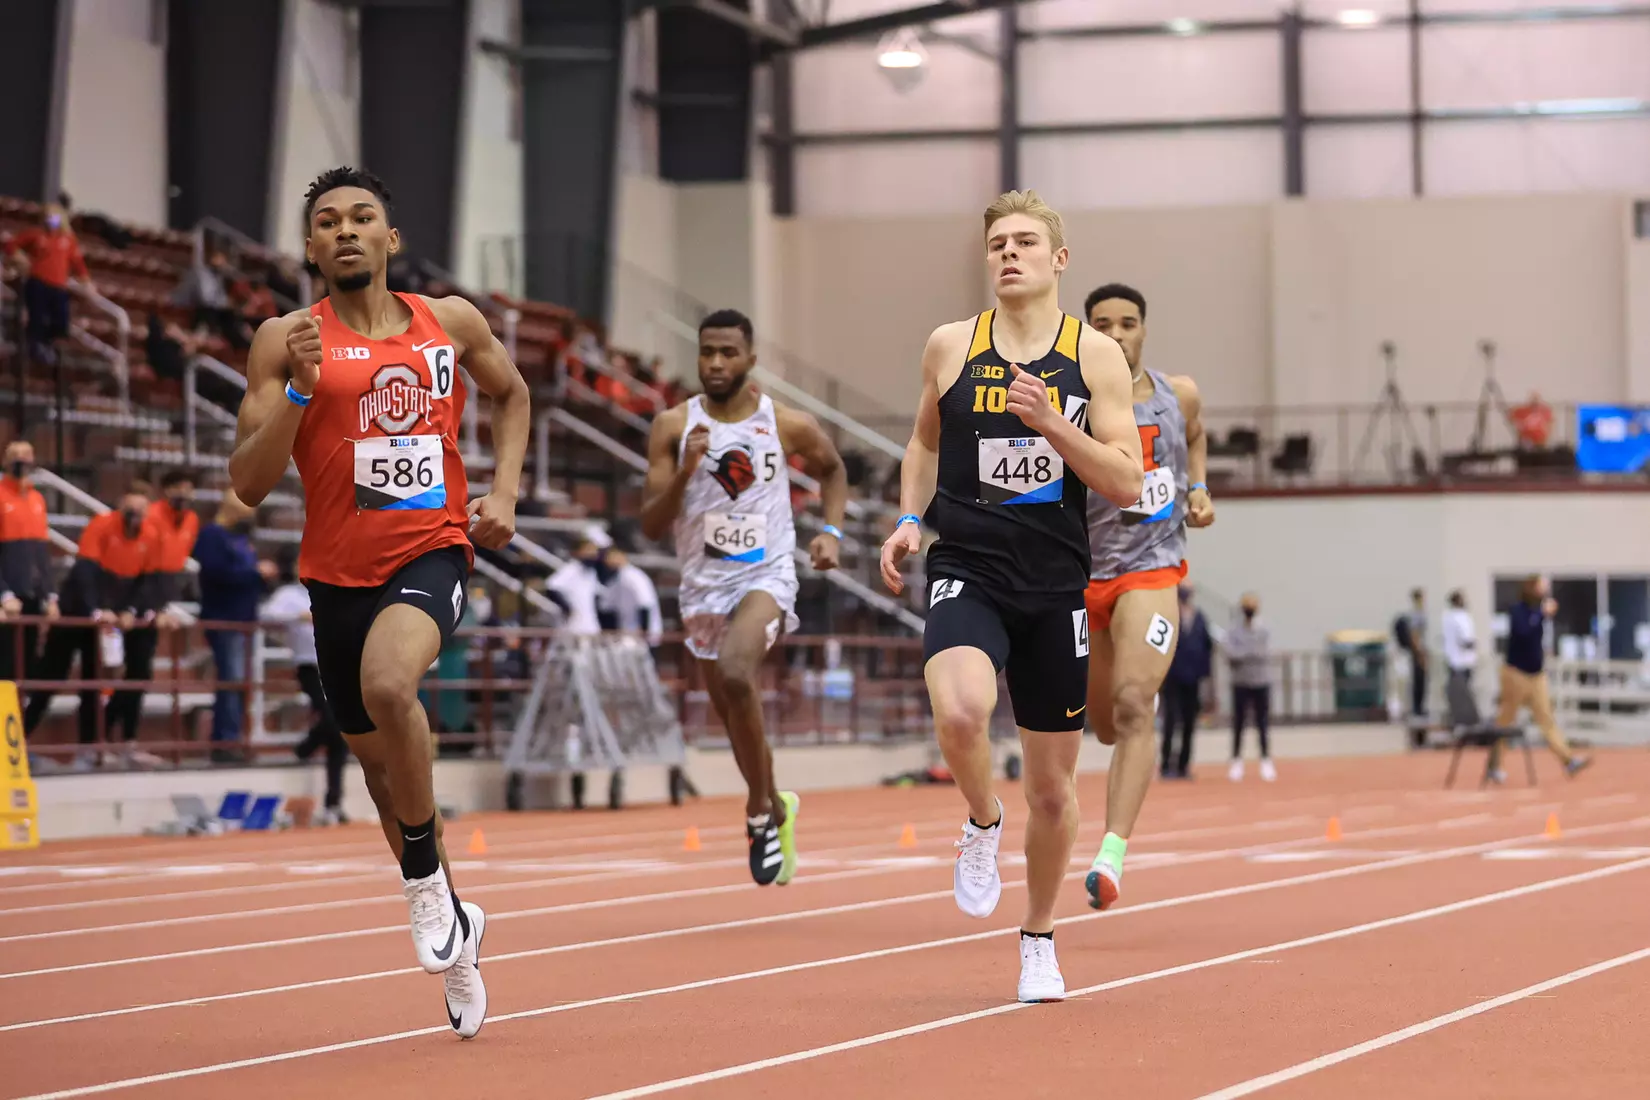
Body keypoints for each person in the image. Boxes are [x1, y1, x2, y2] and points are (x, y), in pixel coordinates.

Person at [228, 166, 530, 1040]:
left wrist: (503, 491)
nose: (348, 231)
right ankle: (461, 936)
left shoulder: (452, 323)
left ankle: (427, 880)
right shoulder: (284, 340)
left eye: (364, 218)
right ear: (312, 247)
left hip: (431, 550)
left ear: (391, 239)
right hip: (334, 575)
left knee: (395, 687)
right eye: (329, 222)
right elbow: (246, 484)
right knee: (376, 770)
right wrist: (295, 391)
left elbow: (512, 396)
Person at [879, 191, 1142, 1003]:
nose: (1009, 254)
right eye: (997, 243)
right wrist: (908, 519)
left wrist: (1053, 425)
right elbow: (924, 442)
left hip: (1056, 585)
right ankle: (982, 820)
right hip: (969, 566)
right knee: (959, 712)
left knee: (1056, 791)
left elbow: (1127, 482)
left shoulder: (1092, 355)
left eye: (1026, 241)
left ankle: (1038, 938)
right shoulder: (951, 346)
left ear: (1058, 260)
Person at [640, 308, 848, 887]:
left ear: (750, 359)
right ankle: (777, 805)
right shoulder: (671, 426)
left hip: (768, 572)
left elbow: (833, 470)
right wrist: (685, 471)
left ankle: (758, 813)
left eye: (728, 352)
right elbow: (652, 524)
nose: (715, 363)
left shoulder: (784, 423)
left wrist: (829, 533)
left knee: (736, 675)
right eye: (707, 352)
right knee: (732, 714)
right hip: (703, 582)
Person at [1077, 282, 1213, 910]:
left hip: (1151, 570)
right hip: (1084, 578)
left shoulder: (1175, 393)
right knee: (1103, 725)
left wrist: (1199, 489)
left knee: (1133, 702)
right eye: (1102, 324)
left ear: (1144, 330)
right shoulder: (1068, 403)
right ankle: (1134, 719)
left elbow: (1196, 432)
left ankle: (1111, 854)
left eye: (1127, 324)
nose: (1116, 334)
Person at [23, 483, 157, 752]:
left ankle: (89, 748)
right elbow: (85, 572)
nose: (135, 514)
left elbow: (144, 581)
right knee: (51, 677)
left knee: (93, 683)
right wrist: (96, 609)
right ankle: (17, 741)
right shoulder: (101, 524)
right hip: (77, 610)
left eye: (141, 509)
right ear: (122, 504)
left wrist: (128, 611)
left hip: (106, 619)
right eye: (131, 508)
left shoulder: (150, 536)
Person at [107, 471, 197, 746]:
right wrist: (146, 606)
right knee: (124, 670)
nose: (184, 493)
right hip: (133, 595)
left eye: (188, 488)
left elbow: (175, 565)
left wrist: (163, 605)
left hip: (159, 597)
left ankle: (125, 738)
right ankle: (103, 733)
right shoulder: (153, 516)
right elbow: (147, 564)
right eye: (178, 487)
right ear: (165, 490)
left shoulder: (191, 520)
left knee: (140, 672)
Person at [262, 554, 348, 822]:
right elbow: (266, 613)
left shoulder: (334, 590)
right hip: (309, 664)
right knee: (334, 721)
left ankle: (333, 800)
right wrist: (297, 616)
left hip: (336, 663)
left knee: (340, 734)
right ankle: (307, 750)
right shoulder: (290, 594)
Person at [192, 491, 274, 760]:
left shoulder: (242, 538)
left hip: (243, 617)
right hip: (224, 615)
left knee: (237, 681)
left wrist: (260, 577)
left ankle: (232, 736)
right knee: (231, 678)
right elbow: (215, 572)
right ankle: (225, 741)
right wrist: (254, 573)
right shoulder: (212, 535)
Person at [1489, 576, 1591, 781]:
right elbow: (1524, 632)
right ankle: (1494, 765)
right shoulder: (1518, 610)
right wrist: (1542, 614)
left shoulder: (1538, 612)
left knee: (1547, 719)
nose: (1544, 591)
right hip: (1515, 674)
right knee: (1505, 722)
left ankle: (1568, 760)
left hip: (1536, 676)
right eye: (1540, 587)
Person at [0, 441, 55, 681]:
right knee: (5, 664)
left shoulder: (37, 499)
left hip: (32, 596)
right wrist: (4, 595)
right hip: (8, 600)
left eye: (26, 455)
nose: (21, 461)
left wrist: (50, 595)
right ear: (5, 461)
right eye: (15, 456)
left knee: (27, 668)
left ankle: (16, 718)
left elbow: (41, 553)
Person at [1159, 584, 1212, 780]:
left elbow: (1207, 648)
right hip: (1172, 677)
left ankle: (1184, 764)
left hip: (1193, 678)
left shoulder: (1199, 618)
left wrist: (1206, 677)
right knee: (1171, 722)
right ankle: (1166, 764)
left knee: (1189, 722)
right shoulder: (1168, 616)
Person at [1225, 592, 1274, 781]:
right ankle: (1236, 761)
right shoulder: (1234, 630)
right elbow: (1231, 654)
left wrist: (1245, 652)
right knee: (1239, 723)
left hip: (1261, 681)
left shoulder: (1263, 630)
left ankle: (1265, 760)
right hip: (1241, 682)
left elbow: (1264, 653)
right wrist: (1249, 652)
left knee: (1262, 723)